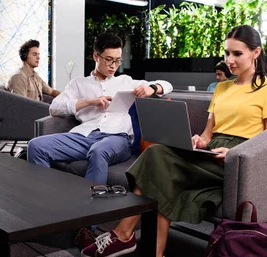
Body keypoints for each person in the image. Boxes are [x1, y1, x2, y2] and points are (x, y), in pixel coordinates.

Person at [80, 25, 267, 257]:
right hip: (211, 154)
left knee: (160, 165)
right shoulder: (222, 89)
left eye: (237, 54)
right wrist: (198, 141)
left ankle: (125, 235)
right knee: (159, 157)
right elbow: (209, 134)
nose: (230, 60)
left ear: (255, 52)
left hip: (241, 160)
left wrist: (235, 153)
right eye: (227, 53)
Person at [27, 33, 172, 184]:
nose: (114, 65)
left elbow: (167, 84)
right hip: (83, 136)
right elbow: (55, 108)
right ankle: (43, 198)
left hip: (117, 138)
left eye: (117, 60)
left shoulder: (125, 81)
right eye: (109, 60)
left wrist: (153, 88)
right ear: (96, 56)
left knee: (98, 150)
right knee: (36, 146)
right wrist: (91, 101)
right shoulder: (78, 84)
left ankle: (92, 206)